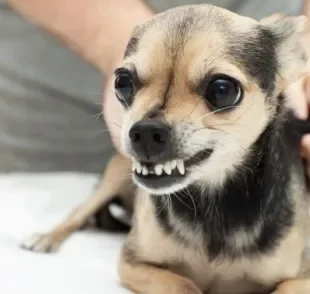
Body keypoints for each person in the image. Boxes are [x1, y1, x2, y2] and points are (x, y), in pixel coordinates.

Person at [1, 0, 310, 174]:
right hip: (49, 129)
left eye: (220, 92)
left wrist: (299, 49)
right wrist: (125, 47)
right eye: (128, 84)